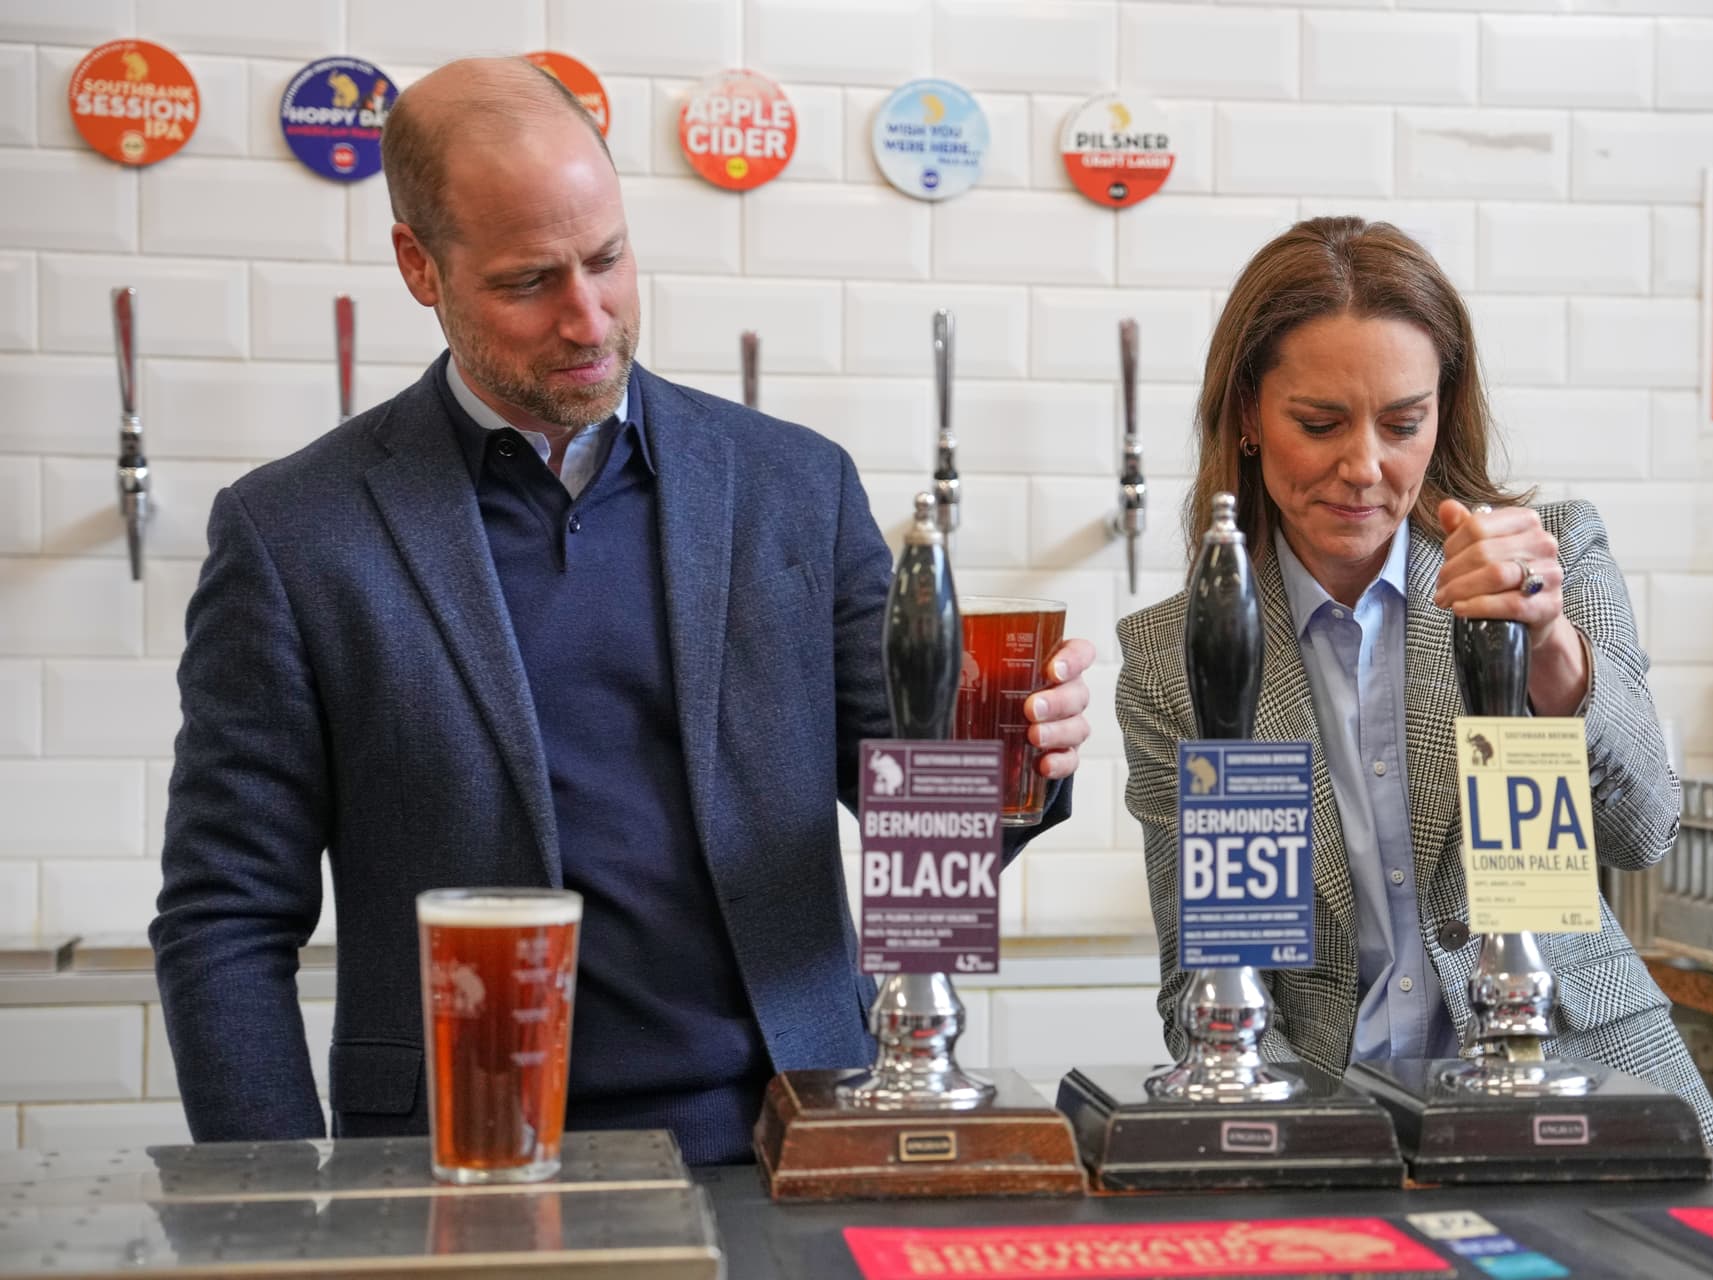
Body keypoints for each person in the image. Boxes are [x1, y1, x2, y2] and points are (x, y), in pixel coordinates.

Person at [150, 58, 1094, 1165]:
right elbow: (223, 915)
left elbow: (927, 822)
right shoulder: (295, 533)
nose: (588, 316)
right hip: (456, 1161)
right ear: (420, 265)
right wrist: (275, 1213)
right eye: (528, 281)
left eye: (607, 259)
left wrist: (1019, 753)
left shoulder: (794, 487)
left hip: (793, 1135)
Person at [1115, 216, 1713, 1143]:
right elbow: (1202, 970)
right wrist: (1309, 1156)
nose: (1364, 468)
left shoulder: (1547, 560)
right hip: (1334, 1114)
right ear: (1246, 413)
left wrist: (1551, 647)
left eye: (1403, 424)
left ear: (1443, 410)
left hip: (1581, 1083)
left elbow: (1643, 828)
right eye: (1318, 423)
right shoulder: (1180, 660)